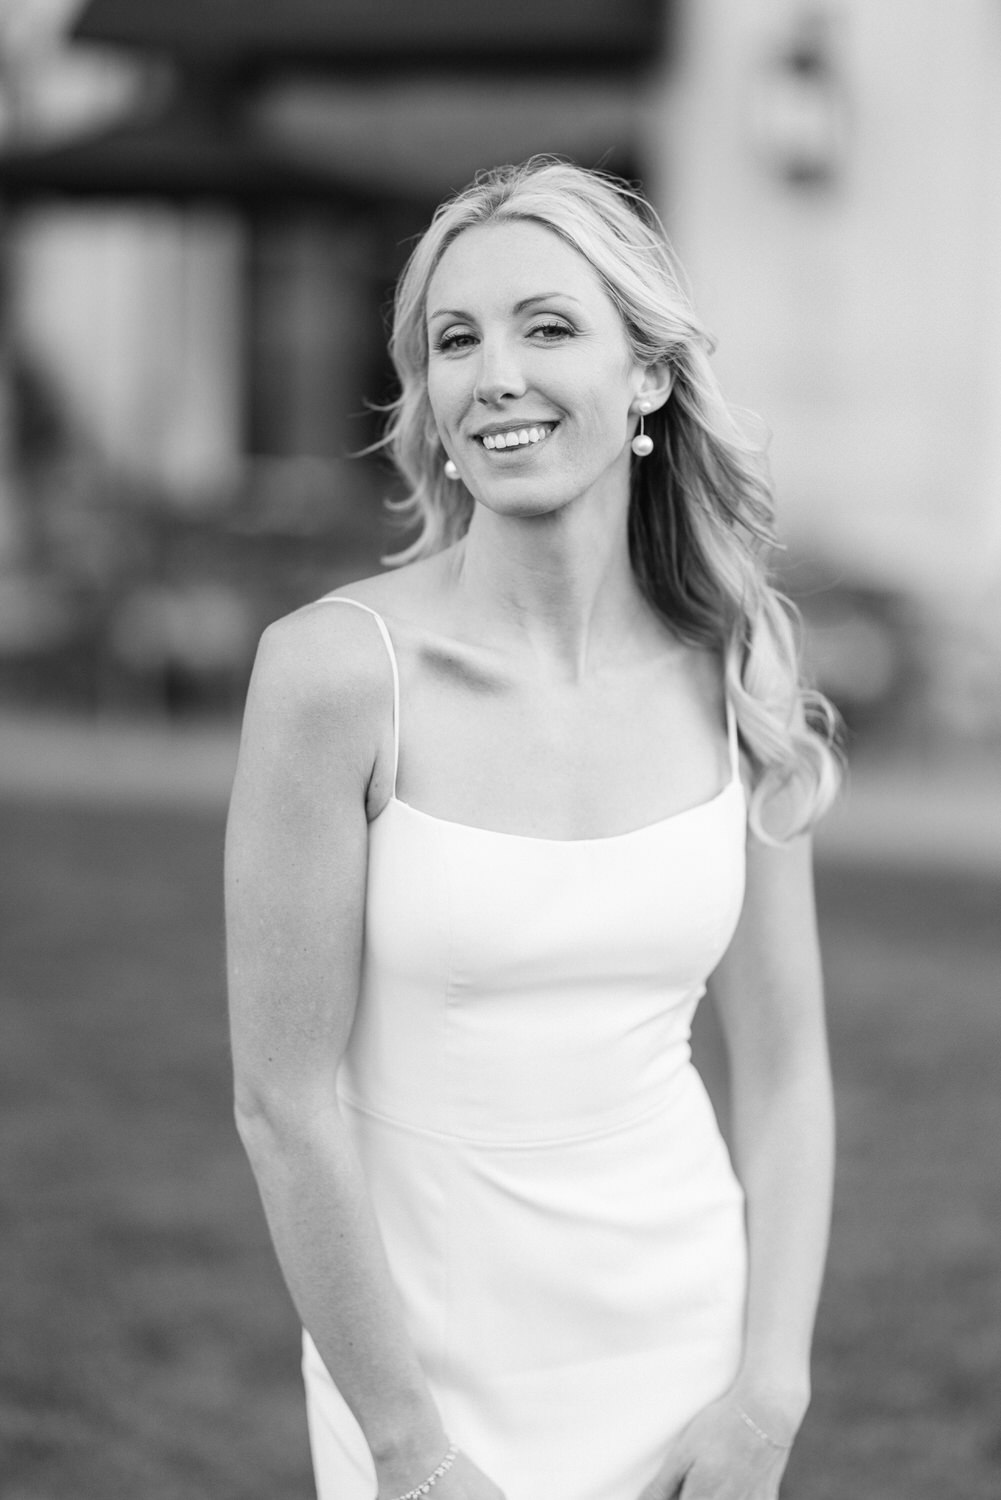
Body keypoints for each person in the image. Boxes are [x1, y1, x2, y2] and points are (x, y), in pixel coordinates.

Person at [225, 157, 841, 1500]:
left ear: (646, 378)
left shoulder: (738, 670)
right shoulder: (335, 675)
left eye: (546, 326)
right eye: (455, 339)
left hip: (686, 1343)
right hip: (424, 1367)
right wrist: (407, 1447)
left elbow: (785, 1071)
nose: (493, 372)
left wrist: (767, 1392)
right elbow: (284, 1104)